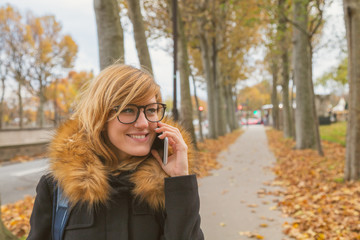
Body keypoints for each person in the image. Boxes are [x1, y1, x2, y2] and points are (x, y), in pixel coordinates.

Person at [27, 64, 204, 240]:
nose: (143, 123)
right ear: (100, 117)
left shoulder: (167, 187)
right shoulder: (57, 189)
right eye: (128, 110)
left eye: (151, 110)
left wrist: (180, 181)